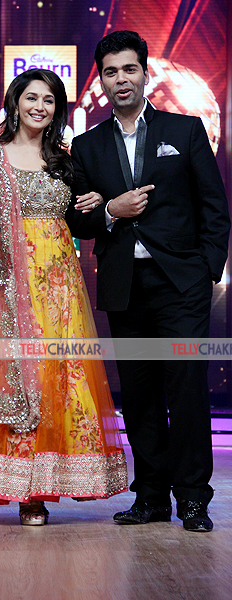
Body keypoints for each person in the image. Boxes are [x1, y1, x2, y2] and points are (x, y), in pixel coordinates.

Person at [0, 69, 128, 525]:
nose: (39, 106)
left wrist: (97, 200)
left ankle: (42, 488)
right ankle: (17, 486)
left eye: (49, 100)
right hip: (7, 284)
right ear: (14, 102)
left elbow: (83, 216)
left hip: (60, 286)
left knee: (58, 376)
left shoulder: (66, 159)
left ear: (57, 109)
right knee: (17, 376)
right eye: (31, 98)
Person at [66, 30, 230, 532]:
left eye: (129, 69)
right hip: (124, 285)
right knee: (137, 395)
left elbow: (214, 209)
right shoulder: (87, 146)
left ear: (145, 73)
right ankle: (151, 497)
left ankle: (194, 499)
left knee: (185, 390)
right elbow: (78, 221)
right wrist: (111, 212)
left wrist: (204, 271)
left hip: (182, 285)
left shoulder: (184, 132)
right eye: (111, 72)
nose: (120, 79)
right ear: (102, 79)